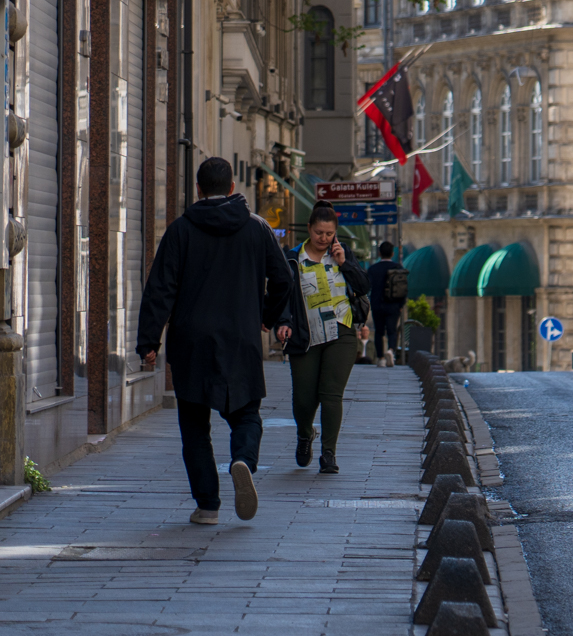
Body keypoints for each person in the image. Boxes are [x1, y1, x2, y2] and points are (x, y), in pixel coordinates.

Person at [135, 156, 297, 525]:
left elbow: (160, 288)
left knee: (194, 426)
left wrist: (149, 341)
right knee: (246, 414)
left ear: (197, 189)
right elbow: (284, 279)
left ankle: (208, 505)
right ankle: (242, 459)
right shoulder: (257, 229)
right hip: (241, 338)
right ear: (233, 189)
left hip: (192, 341)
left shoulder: (180, 231)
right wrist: (266, 317)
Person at [284, 204, 370, 473]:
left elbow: (364, 286)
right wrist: (282, 322)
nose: (324, 238)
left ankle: (329, 454)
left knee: (331, 394)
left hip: (341, 331)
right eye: (319, 232)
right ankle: (305, 434)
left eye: (329, 233)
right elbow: (282, 294)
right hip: (305, 334)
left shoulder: (342, 254)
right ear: (309, 229)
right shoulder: (293, 258)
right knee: (304, 398)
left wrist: (345, 263)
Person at [367, 241, 406, 367]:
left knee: (379, 332)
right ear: (392, 253)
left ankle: (381, 358)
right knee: (392, 331)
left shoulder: (373, 269)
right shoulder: (398, 268)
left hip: (377, 305)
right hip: (394, 305)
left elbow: (367, 287)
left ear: (379, 253)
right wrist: (401, 305)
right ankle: (391, 351)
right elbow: (404, 288)